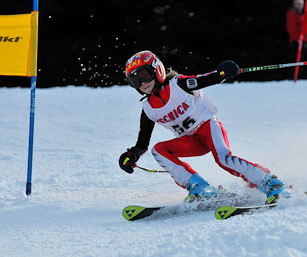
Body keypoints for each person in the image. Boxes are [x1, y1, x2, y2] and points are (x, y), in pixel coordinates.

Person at [119, 50, 291, 204]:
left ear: (158, 70)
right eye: (135, 80)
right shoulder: (148, 109)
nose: (142, 83)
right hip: (190, 141)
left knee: (224, 159)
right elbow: (143, 144)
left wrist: (222, 73)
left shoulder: (179, 85)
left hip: (208, 128)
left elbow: (206, 79)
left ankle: (271, 182)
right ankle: (201, 189)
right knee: (159, 150)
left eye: (144, 75)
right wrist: (132, 155)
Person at [286, 0, 307, 79]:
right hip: (297, 41)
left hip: (306, 41)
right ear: (294, 4)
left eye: (301, 4)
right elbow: (291, 28)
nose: (299, 6)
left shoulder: (304, 13)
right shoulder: (292, 13)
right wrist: (297, 39)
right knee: (296, 60)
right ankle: (293, 77)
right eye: (297, 4)